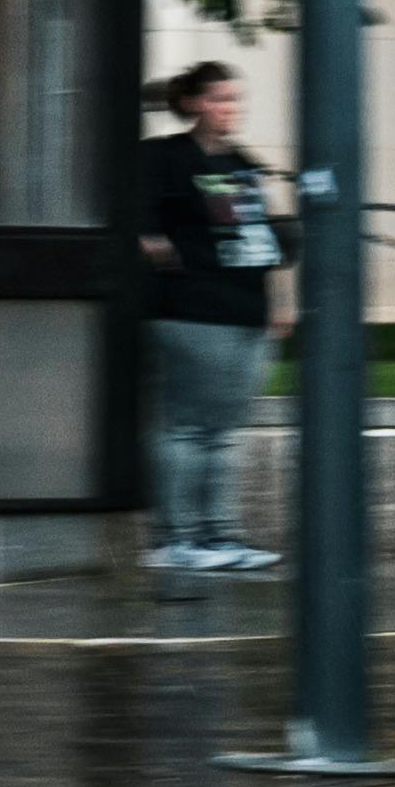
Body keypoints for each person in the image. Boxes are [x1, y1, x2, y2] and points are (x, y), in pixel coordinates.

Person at [135, 63, 287, 577]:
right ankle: (176, 537)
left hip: (245, 311)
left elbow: (265, 241)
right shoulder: (165, 157)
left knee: (221, 432)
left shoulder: (245, 164)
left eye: (237, 100)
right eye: (222, 99)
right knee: (188, 427)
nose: (232, 109)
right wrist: (153, 245)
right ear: (197, 102)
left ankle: (216, 535)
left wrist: (280, 304)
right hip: (193, 311)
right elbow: (133, 214)